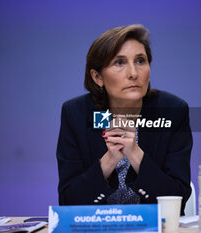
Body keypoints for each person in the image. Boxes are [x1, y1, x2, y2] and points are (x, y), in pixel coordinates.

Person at [57, 24, 193, 215]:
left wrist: (135, 154)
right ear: (97, 77)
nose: (133, 73)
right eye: (119, 63)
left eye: (140, 61)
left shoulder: (171, 112)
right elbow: (68, 201)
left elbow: (177, 199)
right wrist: (109, 160)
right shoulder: (77, 114)